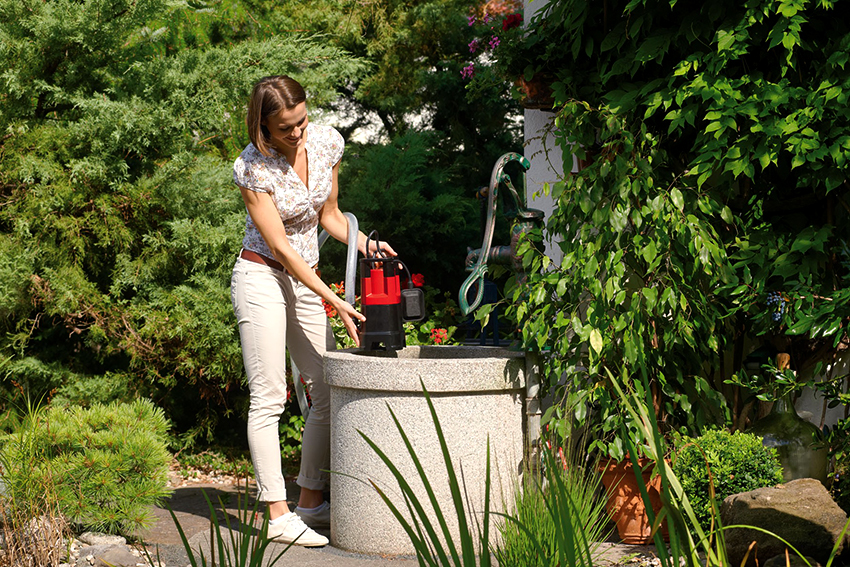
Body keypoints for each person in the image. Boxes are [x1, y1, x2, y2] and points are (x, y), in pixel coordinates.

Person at [230, 75, 395, 547]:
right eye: (286, 129)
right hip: (261, 275)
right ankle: (278, 515)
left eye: (302, 121)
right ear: (263, 126)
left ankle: (308, 500)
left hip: (307, 277)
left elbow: (331, 216)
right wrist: (336, 298)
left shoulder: (325, 142)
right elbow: (281, 247)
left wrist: (367, 244)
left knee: (324, 386)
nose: (298, 133)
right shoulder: (252, 168)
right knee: (270, 395)